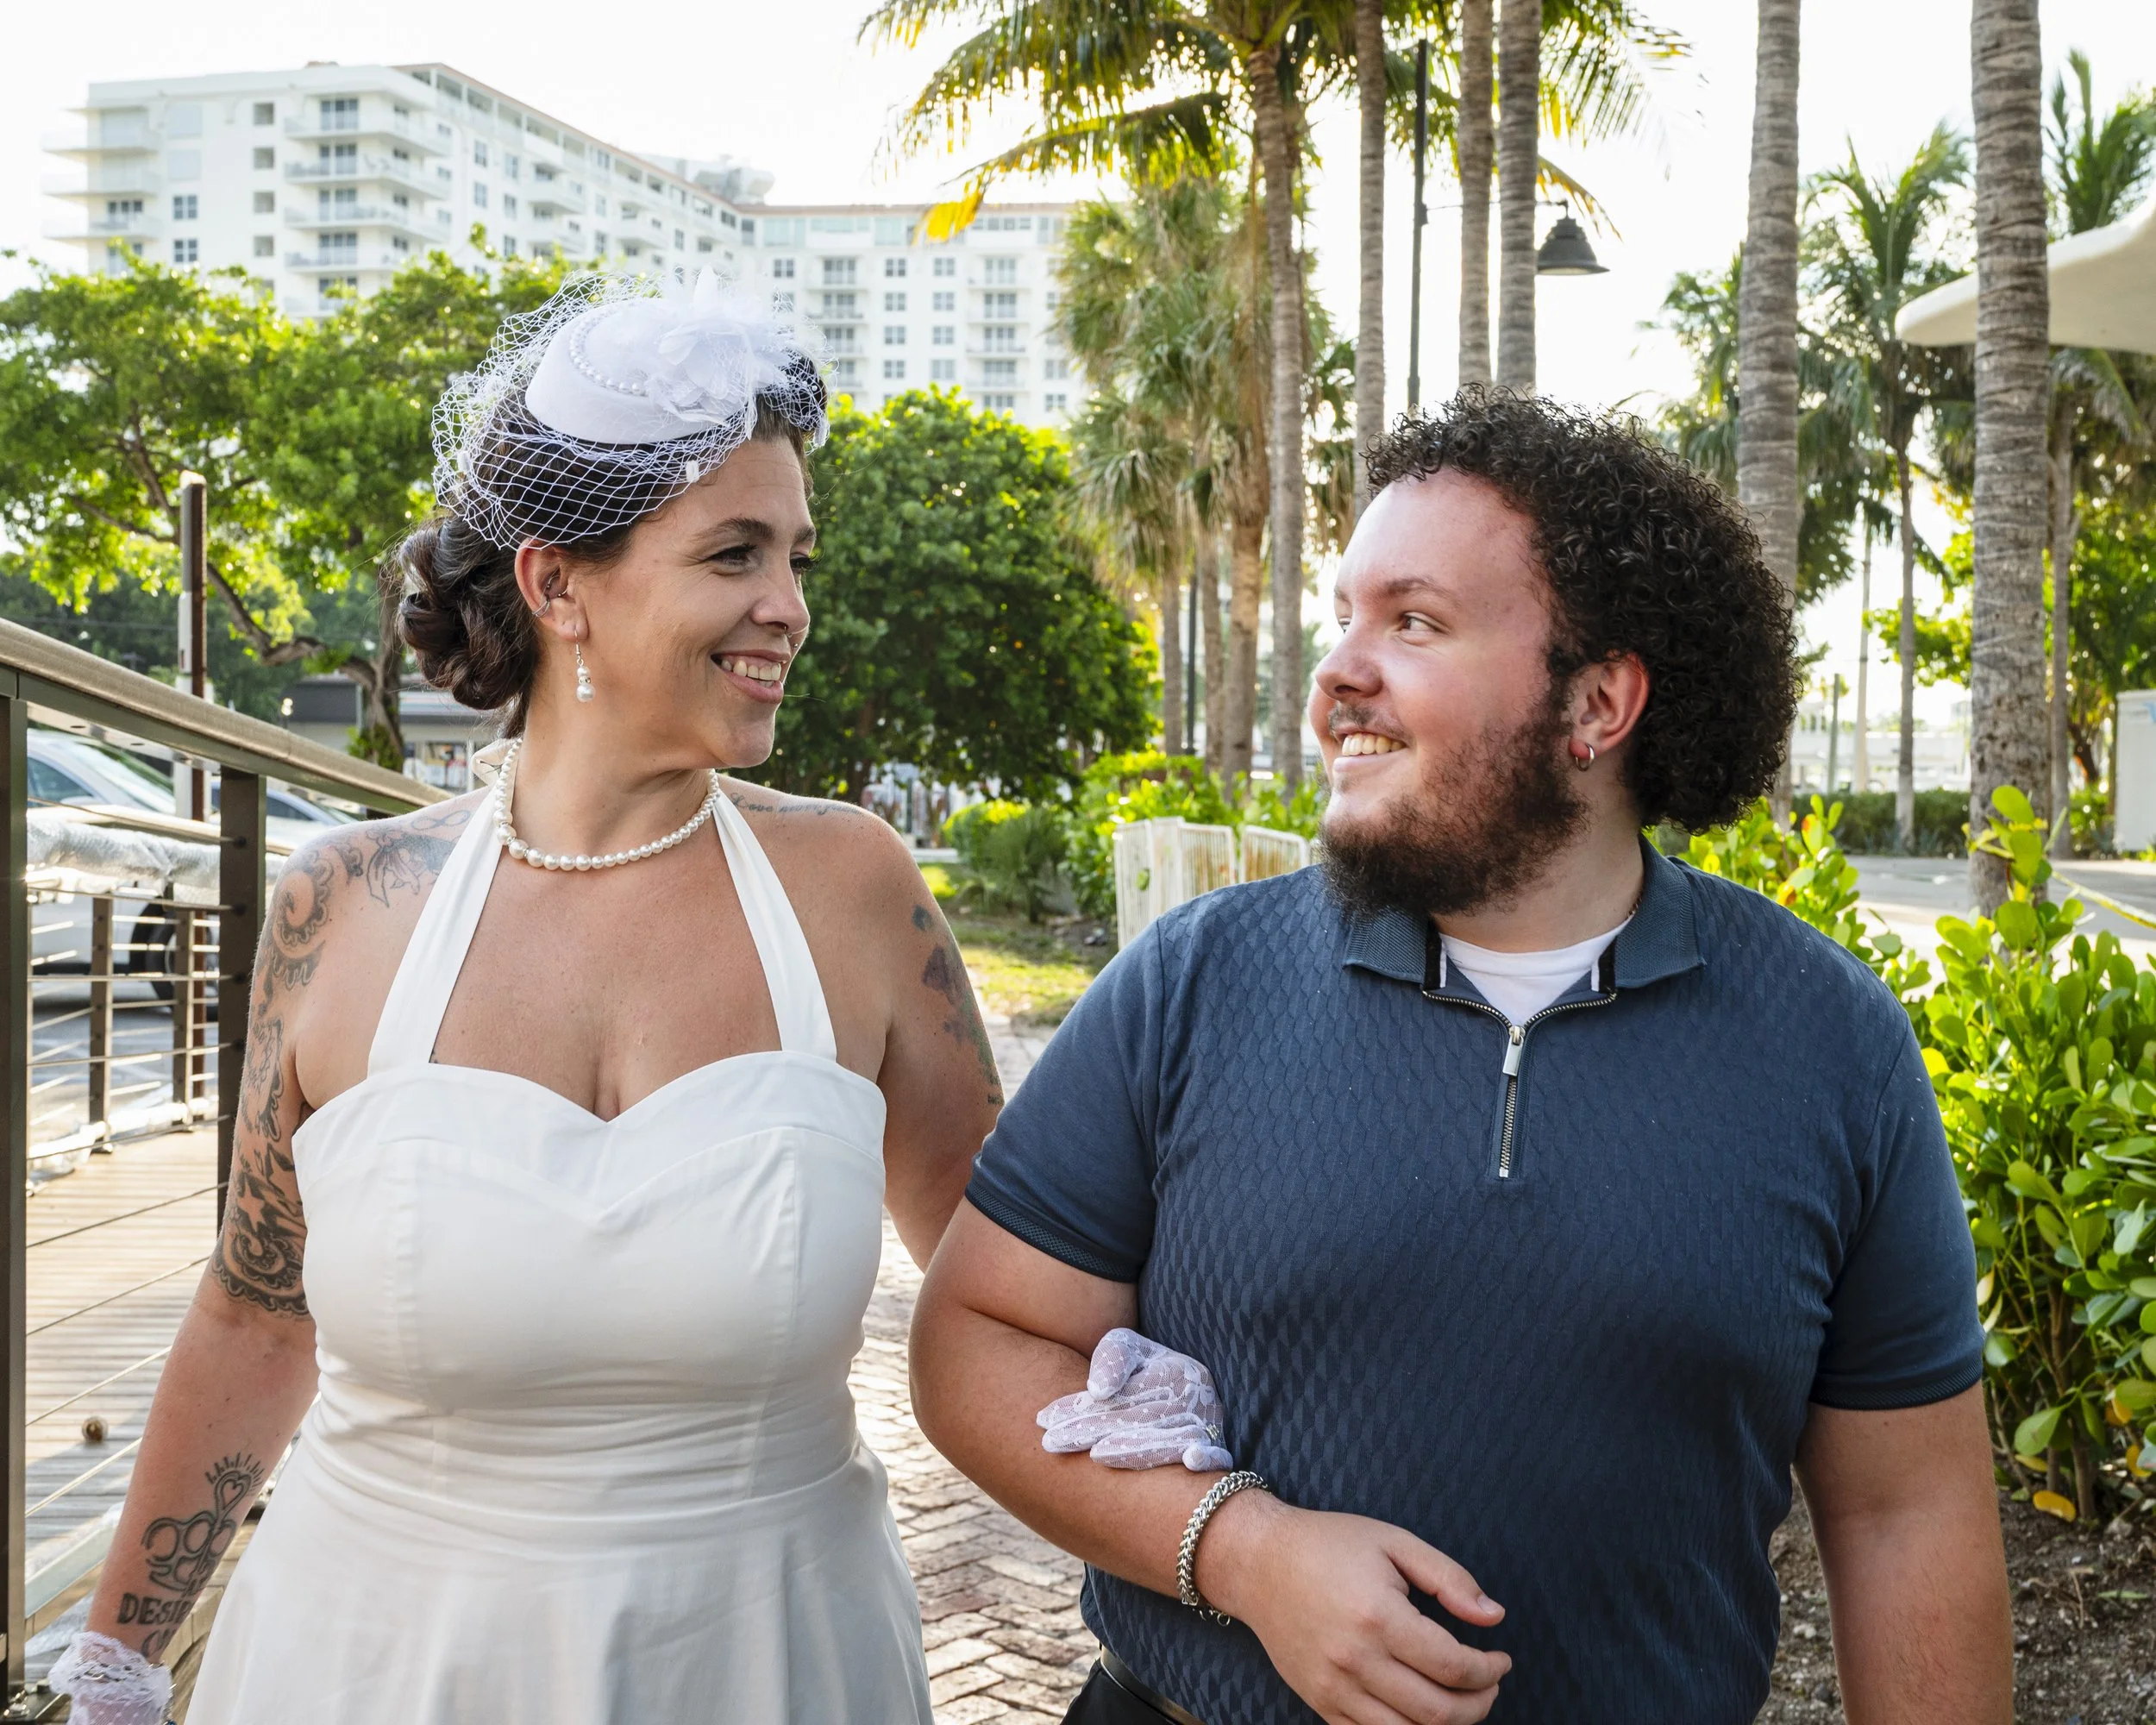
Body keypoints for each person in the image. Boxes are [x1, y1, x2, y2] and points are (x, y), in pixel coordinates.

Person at [912, 392, 2015, 1725]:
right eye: (1346, 615)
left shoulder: (1831, 1043)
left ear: (1598, 701)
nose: (1338, 676)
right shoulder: (1193, 982)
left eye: (1414, 622)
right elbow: (976, 1339)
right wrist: (1242, 1550)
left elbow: (1909, 1513)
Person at [50, 274, 998, 1724]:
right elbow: (256, 1319)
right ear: (559, 586)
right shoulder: (340, 906)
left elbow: (1008, 1283)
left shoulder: (854, 891)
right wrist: (118, 1660)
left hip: (771, 1661)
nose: (790, 608)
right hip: (372, 1666)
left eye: (798, 555)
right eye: (735, 554)